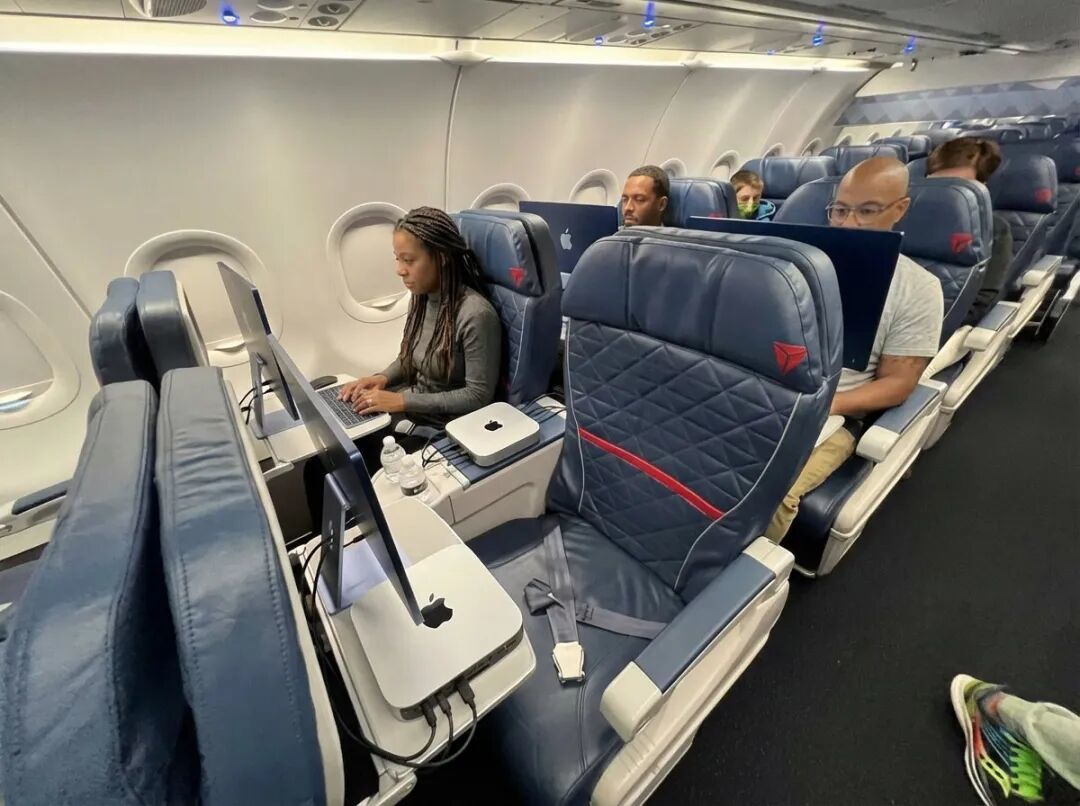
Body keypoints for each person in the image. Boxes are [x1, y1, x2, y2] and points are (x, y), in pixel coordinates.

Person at [765, 156, 944, 543]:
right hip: (768, 393)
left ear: (900, 209)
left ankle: (749, 576)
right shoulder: (797, 265)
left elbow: (898, 384)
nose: (848, 224)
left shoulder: (918, 288)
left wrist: (824, 406)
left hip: (837, 412)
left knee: (771, 496)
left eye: (866, 211)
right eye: (840, 210)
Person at [304, 207, 502, 525]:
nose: (400, 270)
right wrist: (381, 379)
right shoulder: (422, 299)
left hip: (439, 432)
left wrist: (400, 400)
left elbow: (477, 396)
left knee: (335, 472)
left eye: (408, 260)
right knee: (319, 467)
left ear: (441, 258)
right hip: (409, 413)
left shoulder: (476, 315)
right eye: (397, 259)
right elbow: (408, 360)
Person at [926, 137, 1013, 325]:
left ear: (980, 187)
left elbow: (980, 303)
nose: (947, 193)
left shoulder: (994, 228)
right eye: (938, 184)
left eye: (959, 186)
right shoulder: (902, 217)